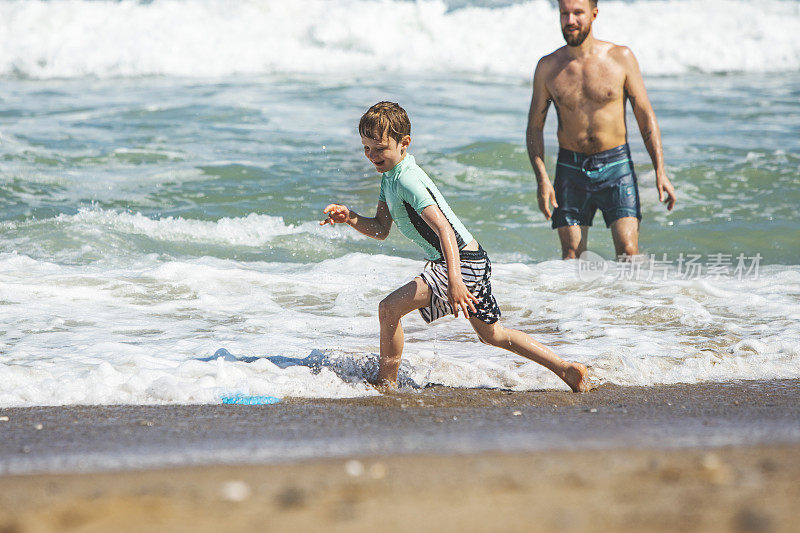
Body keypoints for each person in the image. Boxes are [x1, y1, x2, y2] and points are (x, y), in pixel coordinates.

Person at [321, 101, 588, 392]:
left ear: (404, 143)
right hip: (471, 258)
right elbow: (381, 229)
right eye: (366, 148)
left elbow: (444, 228)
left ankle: (386, 384)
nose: (372, 155)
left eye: (379, 148)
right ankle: (567, 370)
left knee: (388, 309)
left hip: (460, 261)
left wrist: (456, 279)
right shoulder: (390, 177)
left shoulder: (407, 179)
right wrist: (350, 218)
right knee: (493, 335)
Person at [526, 0, 676, 260]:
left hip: (616, 165)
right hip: (570, 168)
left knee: (629, 253)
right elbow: (534, 128)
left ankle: (630, 303)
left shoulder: (621, 58)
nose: (570, 20)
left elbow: (645, 116)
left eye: (577, 13)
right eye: (564, 14)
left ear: (594, 14)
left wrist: (660, 171)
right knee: (571, 255)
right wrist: (542, 179)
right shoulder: (548, 67)